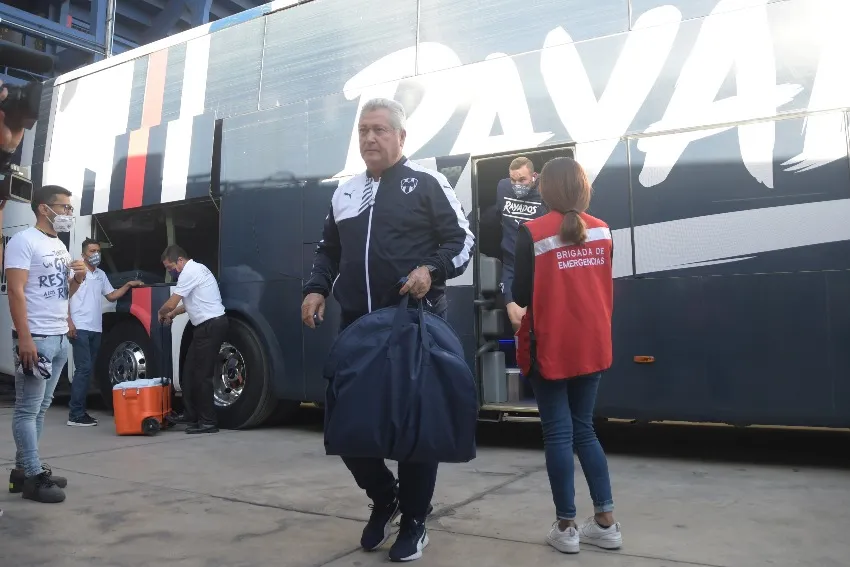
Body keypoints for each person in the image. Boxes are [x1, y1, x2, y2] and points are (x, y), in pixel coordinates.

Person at [301, 97, 474, 562]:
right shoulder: (344, 193)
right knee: (347, 426)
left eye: (379, 129)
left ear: (401, 136)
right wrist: (316, 288)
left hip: (415, 324)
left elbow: (462, 241)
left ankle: (415, 519)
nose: (370, 138)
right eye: (363, 130)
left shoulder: (426, 182)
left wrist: (430, 269)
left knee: (416, 428)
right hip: (358, 327)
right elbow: (328, 251)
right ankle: (385, 497)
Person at [512, 157, 622, 554]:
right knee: (585, 430)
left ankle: (566, 527)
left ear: (545, 190)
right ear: (583, 188)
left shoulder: (533, 233)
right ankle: (606, 522)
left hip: (551, 347)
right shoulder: (603, 230)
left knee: (558, 434)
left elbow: (520, 294)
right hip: (592, 345)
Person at [5, 184, 87, 504]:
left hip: (58, 337)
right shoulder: (23, 241)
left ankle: (24, 472)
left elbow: (61, 293)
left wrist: (77, 279)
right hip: (36, 338)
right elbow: (16, 292)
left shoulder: (59, 245)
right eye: (64, 207)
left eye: (69, 208)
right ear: (44, 208)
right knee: (28, 409)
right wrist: (24, 337)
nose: (68, 213)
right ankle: (33, 476)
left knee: (40, 408)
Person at [67, 238, 142, 426]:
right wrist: (69, 322)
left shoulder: (100, 274)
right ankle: (76, 414)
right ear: (83, 254)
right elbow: (64, 297)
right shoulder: (75, 271)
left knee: (87, 370)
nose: (96, 254)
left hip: (95, 328)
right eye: (92, 251)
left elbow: (111, 295)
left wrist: (128, 285)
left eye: (98, 251)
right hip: (80, 327)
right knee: (83, 369)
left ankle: (79, 412)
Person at [157, 245, 227, 434]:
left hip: (211, 326)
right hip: (205, 327)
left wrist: (162, 312)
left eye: (170, 267)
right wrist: (173, 314)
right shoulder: (197, 269)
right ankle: (191, 414)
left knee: (202, 376)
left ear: (180, 260)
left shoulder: (189, 272)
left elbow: (172, 302)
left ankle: (208, 422)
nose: (170, 272)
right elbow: (190, 304)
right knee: (188, 372)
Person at [480, 157, 547, 331]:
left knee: (544, 320)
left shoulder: (546, 188)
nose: (517, 185)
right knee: (518, 320)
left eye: (522, 180)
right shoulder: (502, 187)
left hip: (541, 263)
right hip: (513, 264)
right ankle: (523, 349)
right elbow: (495, 216)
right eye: (513, 180)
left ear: (534, 176)